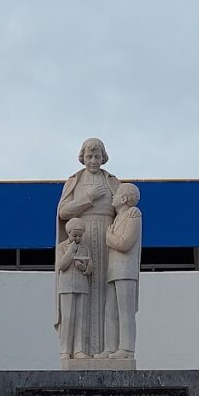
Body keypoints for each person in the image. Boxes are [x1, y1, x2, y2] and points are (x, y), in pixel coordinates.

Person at [56, 138, 120, 356]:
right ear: (82, 156)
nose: (93, 160)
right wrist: (89, 198)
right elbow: (64, 212)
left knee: (106, 289)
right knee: (81, 292)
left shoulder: (112, 181)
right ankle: (77, 349)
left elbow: (123, 208)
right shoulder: (75, 180)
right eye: (89, 156)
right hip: (80, 235)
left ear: (104, 157)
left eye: (97, 156)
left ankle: (108, 348)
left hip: (107, 235)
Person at [99, 183, 141, 360]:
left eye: (116, 195)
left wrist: (108, 237)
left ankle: (127, 348)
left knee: (125, 311)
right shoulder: (117, 218)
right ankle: (110, 347)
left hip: (126, 270)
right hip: (114, 270)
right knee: (111, 311)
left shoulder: (134, 215)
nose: (113, 197)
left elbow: (124, 244)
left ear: (124, 199)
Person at [55, 218, 93, 359]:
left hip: (82, 285)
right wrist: (70, 252)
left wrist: (84, 267)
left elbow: (90, 268)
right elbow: (60, 266)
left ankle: (79, 349)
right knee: (68, 318)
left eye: (80, 235)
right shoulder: (61, 247)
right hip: (66, 287)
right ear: (68, 233)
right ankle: (65, 350)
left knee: (81, 318)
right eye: (74, 235)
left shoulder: (85, 247)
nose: (77, 238)